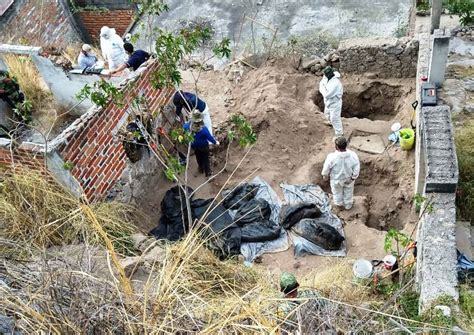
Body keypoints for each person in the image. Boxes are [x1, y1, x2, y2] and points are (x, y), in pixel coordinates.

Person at [321, 136, 360, 210]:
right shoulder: (353, 155)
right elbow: (356, 167)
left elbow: (326, 168)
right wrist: (353, 177)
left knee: (337, 193)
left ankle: (339, 204)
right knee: (348, 192)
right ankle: (348, 205)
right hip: (349, 178)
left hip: (336, 180)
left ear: (337, 147)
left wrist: (325, 176)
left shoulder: (331, 157)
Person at [184, 111, 219, 177]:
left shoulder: (187, 127)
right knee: (205, 158)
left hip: (194, 145)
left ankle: (201, 168)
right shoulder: (203, 130)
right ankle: (208, 172)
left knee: (198, 156)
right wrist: (215, 142)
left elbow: (184, 127)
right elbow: (209, 138)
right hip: (203, 146)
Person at [319, 66, 344, 138]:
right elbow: (321, 85)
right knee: (327, 113)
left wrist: (324, 91)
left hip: (335, 103)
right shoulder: (325, 77)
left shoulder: (336, 83)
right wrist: (324, 91)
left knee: (335, 118)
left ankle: (339, 133)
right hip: (328, 102)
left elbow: (327, 95)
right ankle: (330, 122)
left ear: (330, 74)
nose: (324, 75)